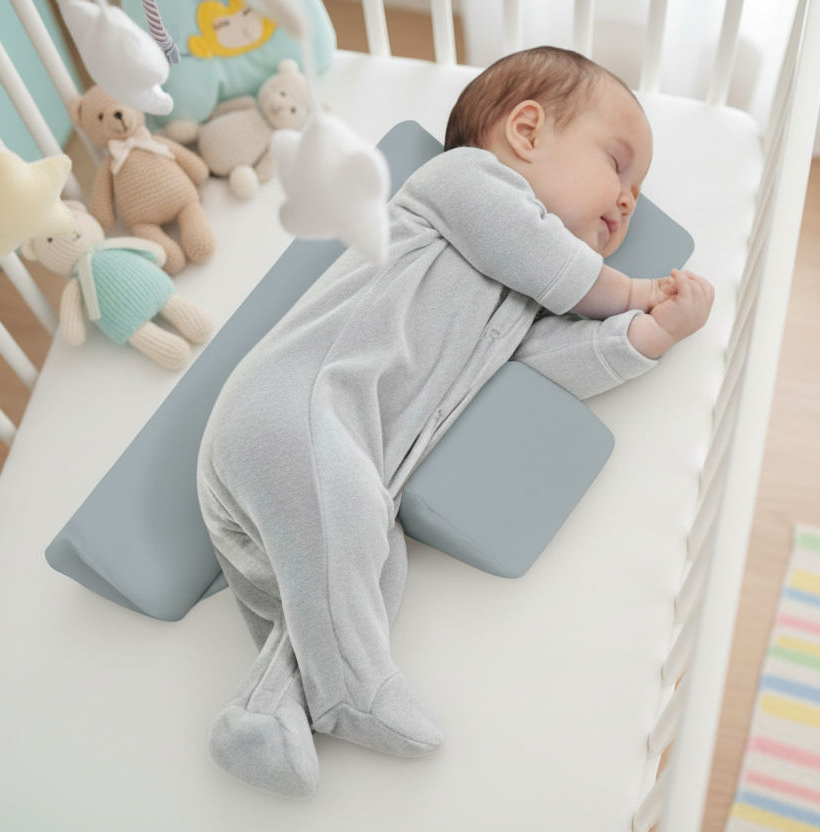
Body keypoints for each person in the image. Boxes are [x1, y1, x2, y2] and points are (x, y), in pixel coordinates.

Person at [196, 45, 714, 800]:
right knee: (346, 521)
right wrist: (633, 289)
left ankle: (265, 713)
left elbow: (548, 357)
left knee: (375, 565)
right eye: (618, 163)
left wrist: (653, 335)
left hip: (335, 461)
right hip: (292, 410)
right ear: (527, 132)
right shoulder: (461, 184)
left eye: (636, 187)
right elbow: (555, 269)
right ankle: (349, 693)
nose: (629, 199)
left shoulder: (527, 292)